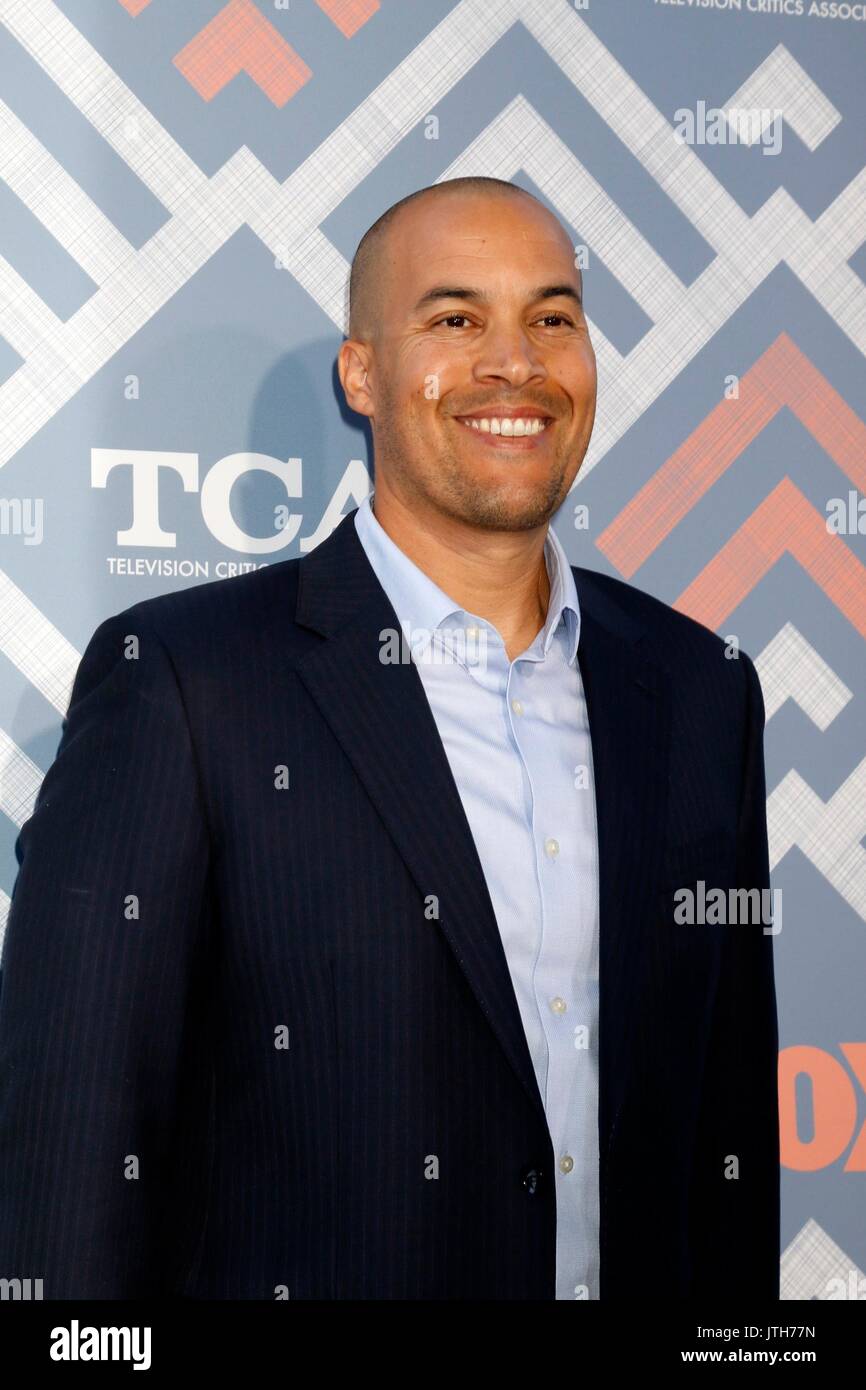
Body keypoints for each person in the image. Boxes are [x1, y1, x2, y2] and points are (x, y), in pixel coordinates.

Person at [0, 177, 779, 1300]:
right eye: (454, 319)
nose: (515, 363)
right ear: (359, 374)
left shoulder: (700, 691)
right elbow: (72, 1161)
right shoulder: (186, 682)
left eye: (551, 318)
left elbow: (724, 1150)